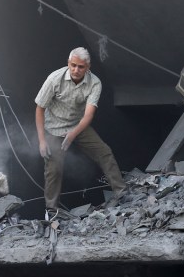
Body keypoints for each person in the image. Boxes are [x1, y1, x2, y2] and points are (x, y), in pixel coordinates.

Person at [34, 47, 126, 215]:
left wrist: (73, 135)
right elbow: (39, 109)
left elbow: (88, 115)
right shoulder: (54, 79)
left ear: (88, 67)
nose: (76, 70)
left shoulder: (95, 83)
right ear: (68, 63)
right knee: (53, 168)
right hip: (54, 128)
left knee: (104, 152)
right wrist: (42, 140)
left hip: (78, 126)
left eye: (81, 67)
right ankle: (51, 211)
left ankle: (121, 192)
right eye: (73, 65)